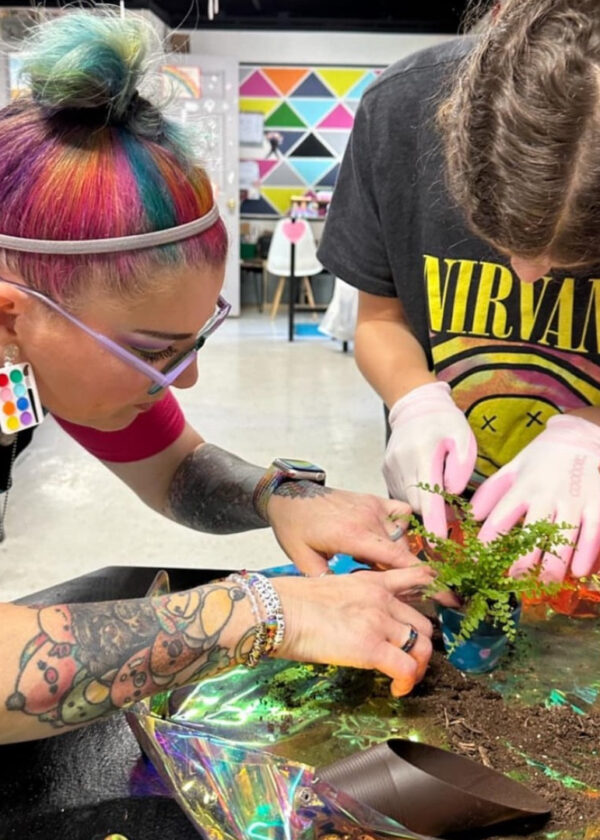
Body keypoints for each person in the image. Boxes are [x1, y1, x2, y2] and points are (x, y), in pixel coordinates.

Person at [0, 9, 447, 744]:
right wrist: (272, 614)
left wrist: (282, 496)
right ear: (13, 316)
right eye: (155, 350)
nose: (188, 379)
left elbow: (175, 469)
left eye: (198, 336)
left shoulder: (40, 346)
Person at [318, 0, 600, 584]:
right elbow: (379, 316)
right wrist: (414, 399)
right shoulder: (400, 111)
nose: (527, 275)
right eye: (498, 236)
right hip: (449, 529)